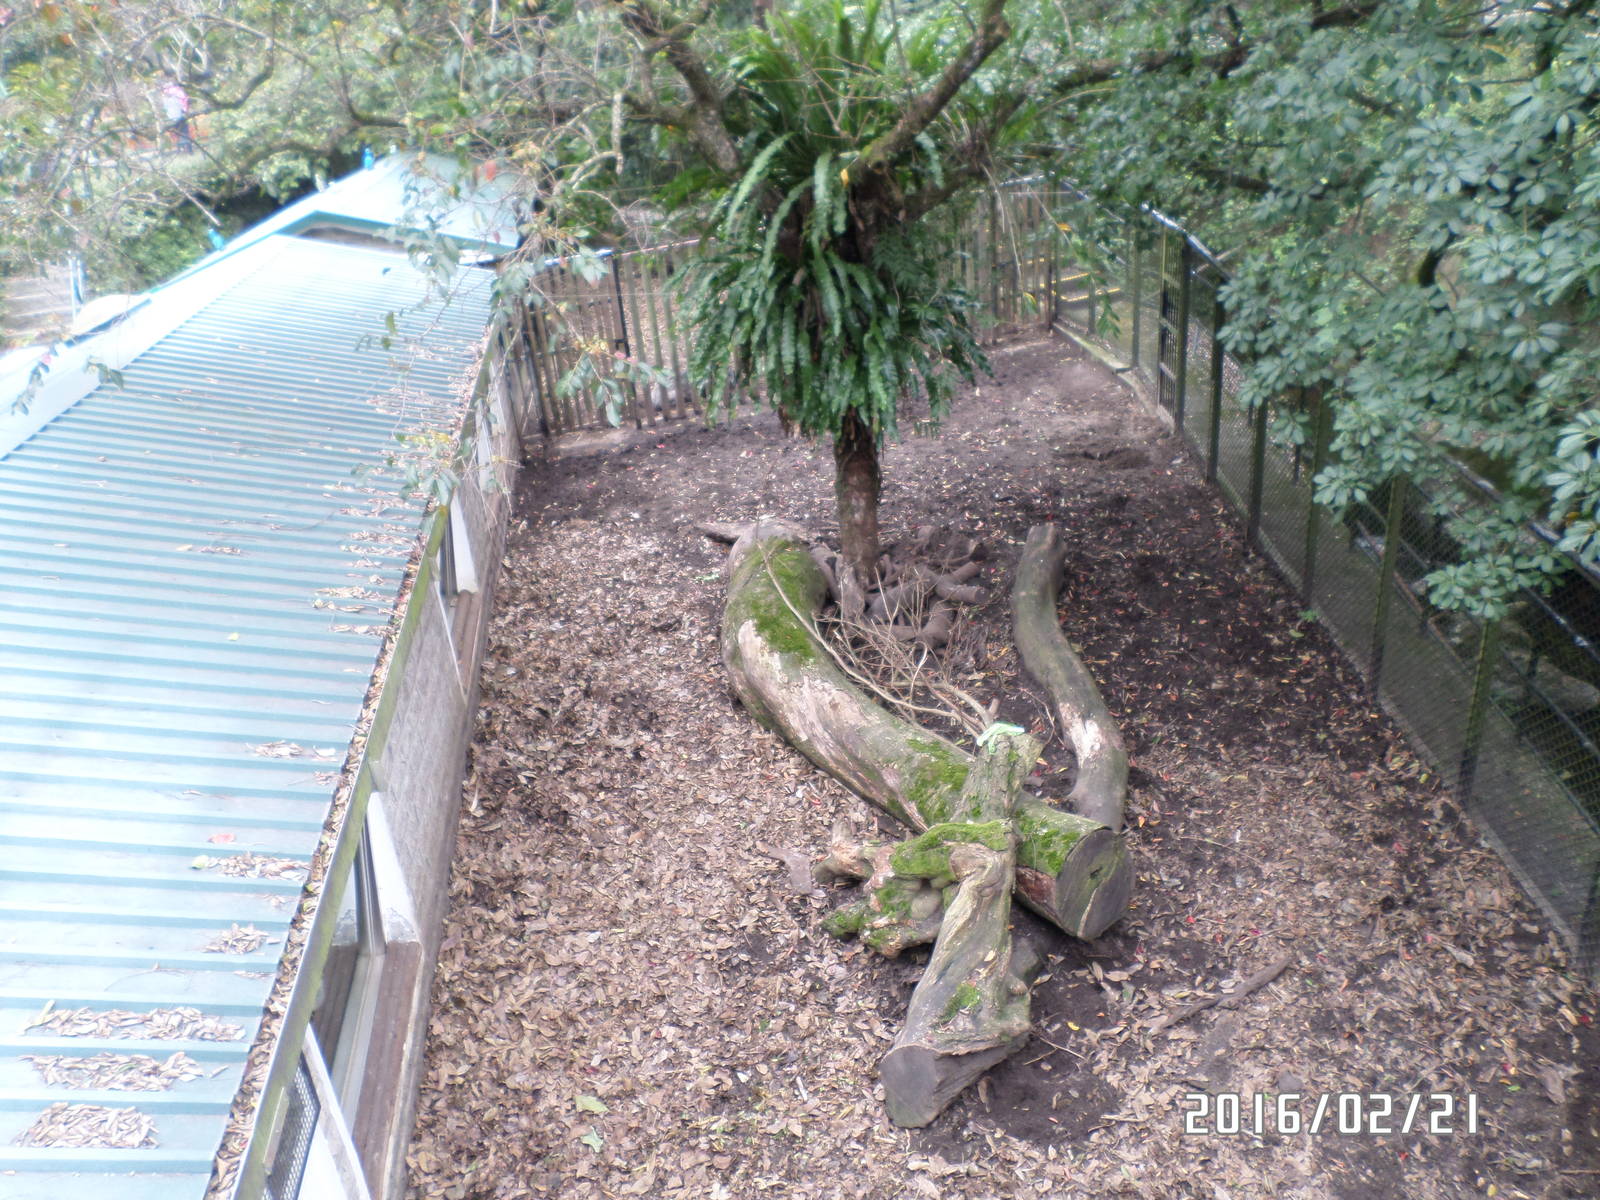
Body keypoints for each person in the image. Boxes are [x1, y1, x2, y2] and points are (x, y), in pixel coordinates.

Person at [161, 76, 193, 153]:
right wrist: (185, 110)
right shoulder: (178, 91)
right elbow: (185, 100)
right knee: (185, 132)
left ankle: (180, 149)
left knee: (177, 133)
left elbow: (165, 108)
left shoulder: (164, 96)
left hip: (172, 117)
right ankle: (188, 149)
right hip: (180, 115)